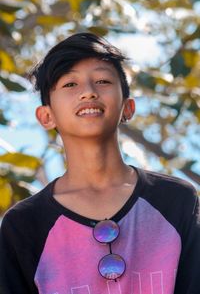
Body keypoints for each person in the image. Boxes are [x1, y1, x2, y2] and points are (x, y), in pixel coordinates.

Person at [0, 32, 199, 294]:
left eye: (103, 80)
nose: (88, 93)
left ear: (128, 108)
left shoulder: (176, 200)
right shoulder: (24, 224)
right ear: (46, 116)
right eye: (70, 84)